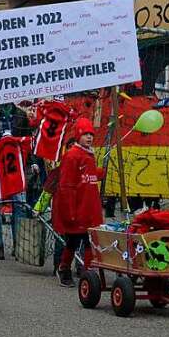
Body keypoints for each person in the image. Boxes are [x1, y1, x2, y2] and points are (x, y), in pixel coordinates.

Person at [54, 118, 104, 287]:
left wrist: (99, 173)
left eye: (91, 134)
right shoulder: (72, 155)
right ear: (78, 136)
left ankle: (88, 273)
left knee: (90, 240)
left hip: (89, 207)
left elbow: (87, 176)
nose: (89, 137)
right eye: (85, 134)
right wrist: (70, 211)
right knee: (74, 241)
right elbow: (67, 185)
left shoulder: (89, 154)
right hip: (77, 208)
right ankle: (64, 268)